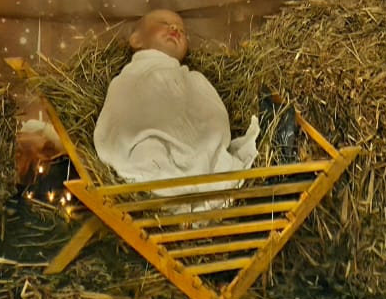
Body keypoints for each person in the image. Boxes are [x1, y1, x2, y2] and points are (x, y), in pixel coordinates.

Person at [91, 10, 260, 187]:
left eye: (182, 31)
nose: (175, 29)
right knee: (146, 150)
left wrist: (206, 133)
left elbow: (212, 114)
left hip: (195, 144)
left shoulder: (192, 79)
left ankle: (199, 164)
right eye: (164, 23)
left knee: (210, 143)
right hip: (148, 144)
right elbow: (122, 114)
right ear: (136, 40)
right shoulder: (130, 77)